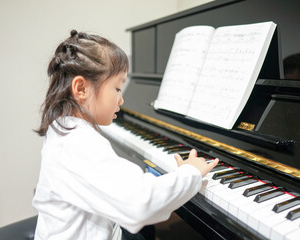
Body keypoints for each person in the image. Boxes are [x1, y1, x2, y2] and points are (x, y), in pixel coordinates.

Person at [32, 30, 219, 240]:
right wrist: (190, 173)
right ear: (81, 88)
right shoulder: (75, 144)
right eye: (118, 89)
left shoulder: (66, 128)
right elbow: (140, 203)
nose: (122, 100)